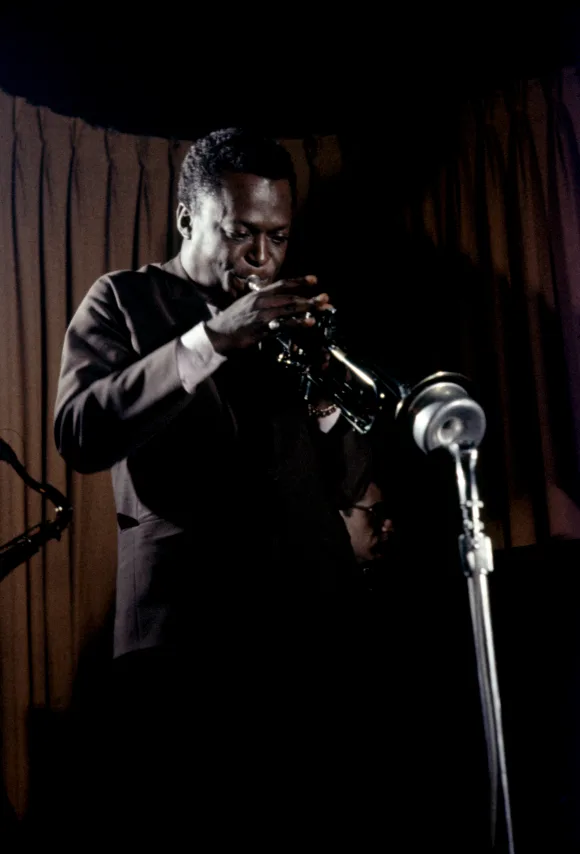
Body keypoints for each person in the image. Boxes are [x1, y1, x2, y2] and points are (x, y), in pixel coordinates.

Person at [54, 128, 377, 839]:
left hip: (310, 633)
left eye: (278, 237)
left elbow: (348, 481)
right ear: (186, 219)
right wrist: (212, 340)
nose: (261, 257)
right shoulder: (124, 300)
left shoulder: (289, 323)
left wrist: (326, 395)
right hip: (185, 637)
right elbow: (78, 431)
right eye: (240, 234)